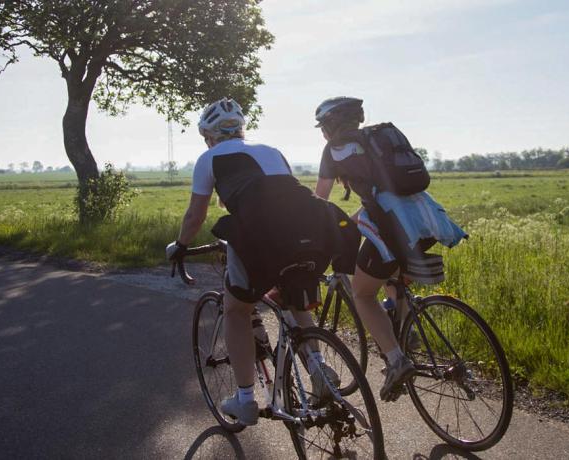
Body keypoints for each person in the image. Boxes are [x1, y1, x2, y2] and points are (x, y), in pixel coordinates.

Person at [167, 98, 359, 426]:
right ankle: (316, 364)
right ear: (241, 128)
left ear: (209, 135)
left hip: (260, 232)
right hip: (309, 228)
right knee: (292, 288)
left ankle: (244, 401)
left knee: (236, 310)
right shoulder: (272, 150)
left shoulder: (209, 158)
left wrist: (180, 246)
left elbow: (195, 214)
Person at [313, 96, 467, 402]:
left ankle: (397, 361)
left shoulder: (334, 150)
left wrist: (312, 228)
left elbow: (320, 199)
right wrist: (352, 223)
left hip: (393, 225)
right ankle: (405, 328)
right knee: (393, 277)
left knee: (362, 294)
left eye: (322, 127)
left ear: (330, 126)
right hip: (427, 221)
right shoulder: (377, 138)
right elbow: (382, 194)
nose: (322, 134)